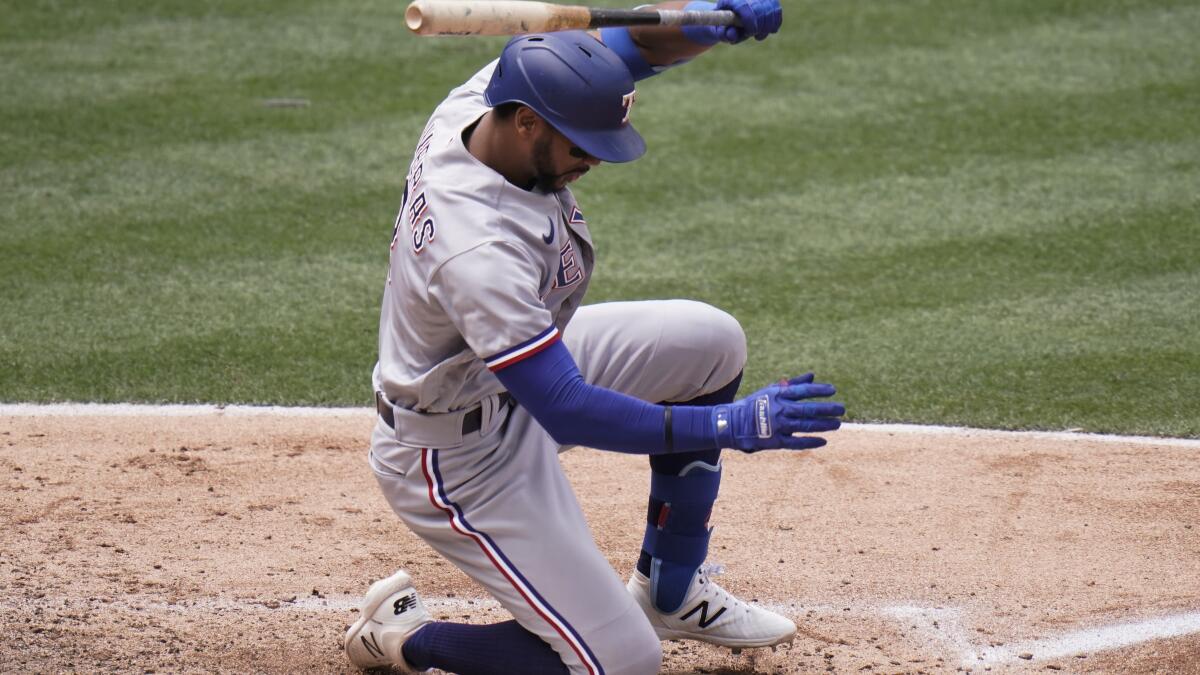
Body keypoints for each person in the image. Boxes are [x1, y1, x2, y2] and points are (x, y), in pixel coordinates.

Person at [344, 1, 845, 673]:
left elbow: (626, 48)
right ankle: (404, 638)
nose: (594, 162)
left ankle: (671, 591)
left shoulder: (490, 101)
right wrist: (730, 422)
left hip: (514, 373)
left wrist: (707, 23)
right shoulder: (477, 248)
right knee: (620, 662)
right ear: (528, 125)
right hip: (458, 454)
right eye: (582, 147)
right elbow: (566, 406)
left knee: (709, 343)